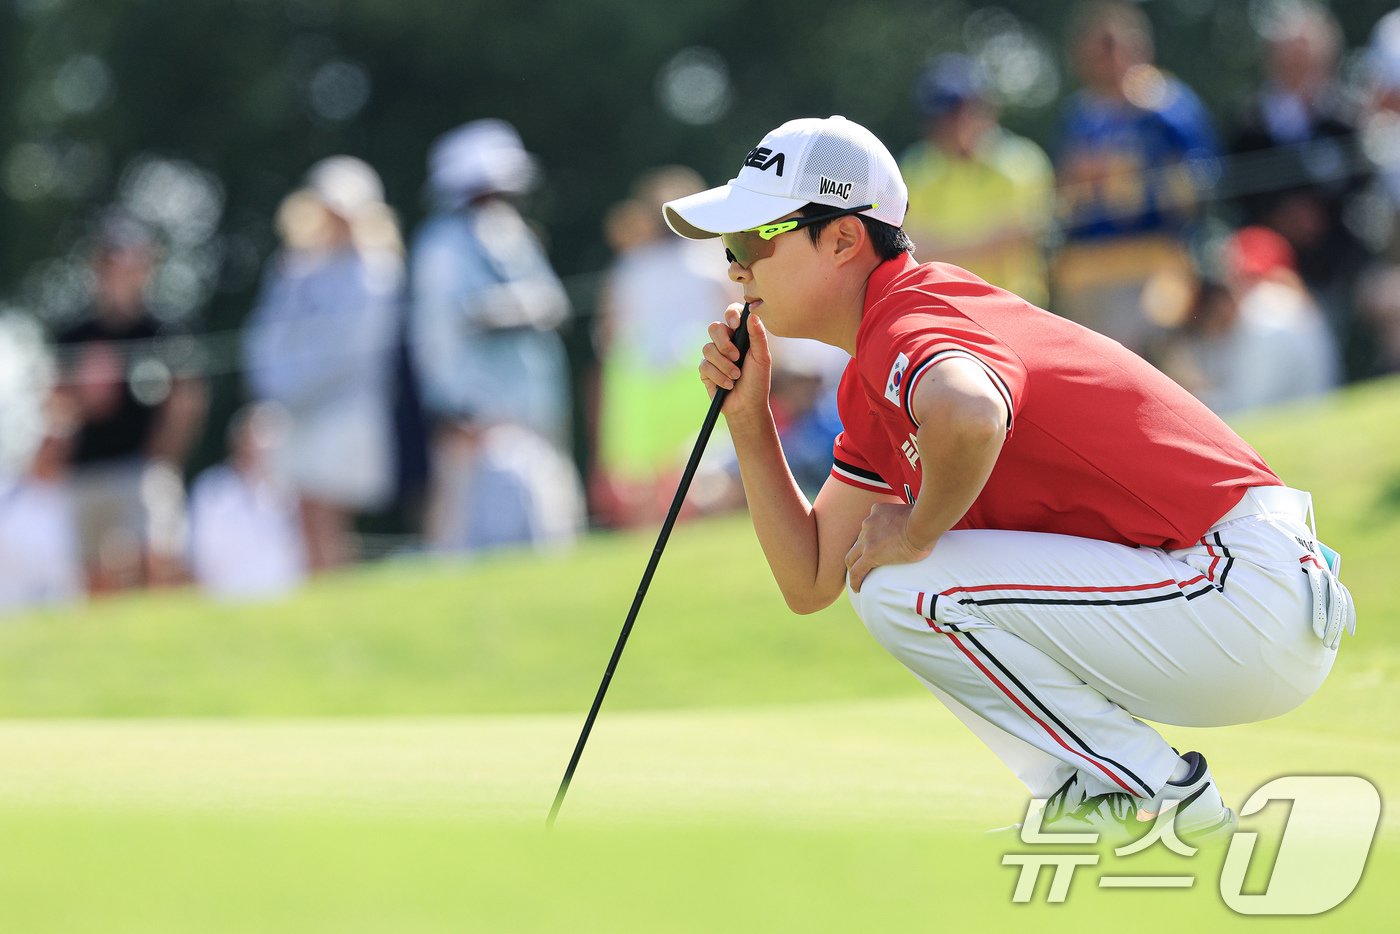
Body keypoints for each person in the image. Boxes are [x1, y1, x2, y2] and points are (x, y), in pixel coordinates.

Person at [665, 114, 1354, 841]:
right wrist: (749, 420)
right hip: (1224, 595)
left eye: (748, 243)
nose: (734, 269)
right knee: (889, 573)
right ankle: (1093, 801)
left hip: (1238, 584)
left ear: (840, 238)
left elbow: (968, 414)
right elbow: (811, 580)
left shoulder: (911, 315)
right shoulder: (876, 368)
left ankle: (1151, 800)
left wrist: (920, 526)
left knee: (905, 580)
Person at [409, 119, 582, 554]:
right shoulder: (440, 244)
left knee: (549, 522)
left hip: (533, 404)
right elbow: (451, 323)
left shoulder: (511, 232)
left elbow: (554, 304)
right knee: (463, 533)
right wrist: (457, 404)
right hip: (474, 412)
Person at [243, 156, 402, 572]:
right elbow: (266, 335)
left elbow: (356, 352)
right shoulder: (294, 268)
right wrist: (275, 391)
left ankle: (334, 596)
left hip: (343, 411)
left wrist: (294, 391)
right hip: (295, 411)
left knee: (330, 516)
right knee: (302, 514)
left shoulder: (377, 273)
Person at [51, 213, 207, 592]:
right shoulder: (75, 334)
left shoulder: (164, 330)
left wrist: (163, 456)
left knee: (156, 557)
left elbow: (188, 399)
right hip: (87, 468)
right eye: (114, 263)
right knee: (94, 575)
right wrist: (84, 400)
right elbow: (56, 404)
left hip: (142, 467)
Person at [1053, 0, 1219, 353]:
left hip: (1159, 254)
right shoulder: (1082, 116)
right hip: (1094, 260)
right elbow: (1064, 197)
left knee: (1151, 339)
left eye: (1115, 48)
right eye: (1098, 51)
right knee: (1094, 353)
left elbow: (1202, 185)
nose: (1108, 61)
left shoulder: (1167, 108)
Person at [592, 166, 742, 526]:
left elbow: (609, 329)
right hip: (690, 369)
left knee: (650, 475)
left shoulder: (632, 266)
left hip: (647, 374)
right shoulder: (709, 259)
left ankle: (654, 536)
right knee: (695, 466)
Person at [1226, 0, 1369, 377]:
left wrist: (1319, 213)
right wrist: (1281, 215)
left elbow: (1360, 186)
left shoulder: (1344, 118)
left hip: (1335, 263)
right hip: (1268, 266)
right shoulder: (1249, 123)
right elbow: (1236, 188)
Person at [901, 54, 1054, 306]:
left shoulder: (1023, 164)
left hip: (1015, 309)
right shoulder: (914, 168)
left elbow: (1027, 236)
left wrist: (942, 248)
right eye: (941, 117)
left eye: (958, 112)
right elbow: (909, 249)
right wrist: (988, 239)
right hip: (941, 310)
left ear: (986, 108)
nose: (950, 125)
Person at [187, 403, 307, 601]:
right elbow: (201, 555)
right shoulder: (211, 489)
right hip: (223, 601)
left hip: (283, 601)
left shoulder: (290, 491)